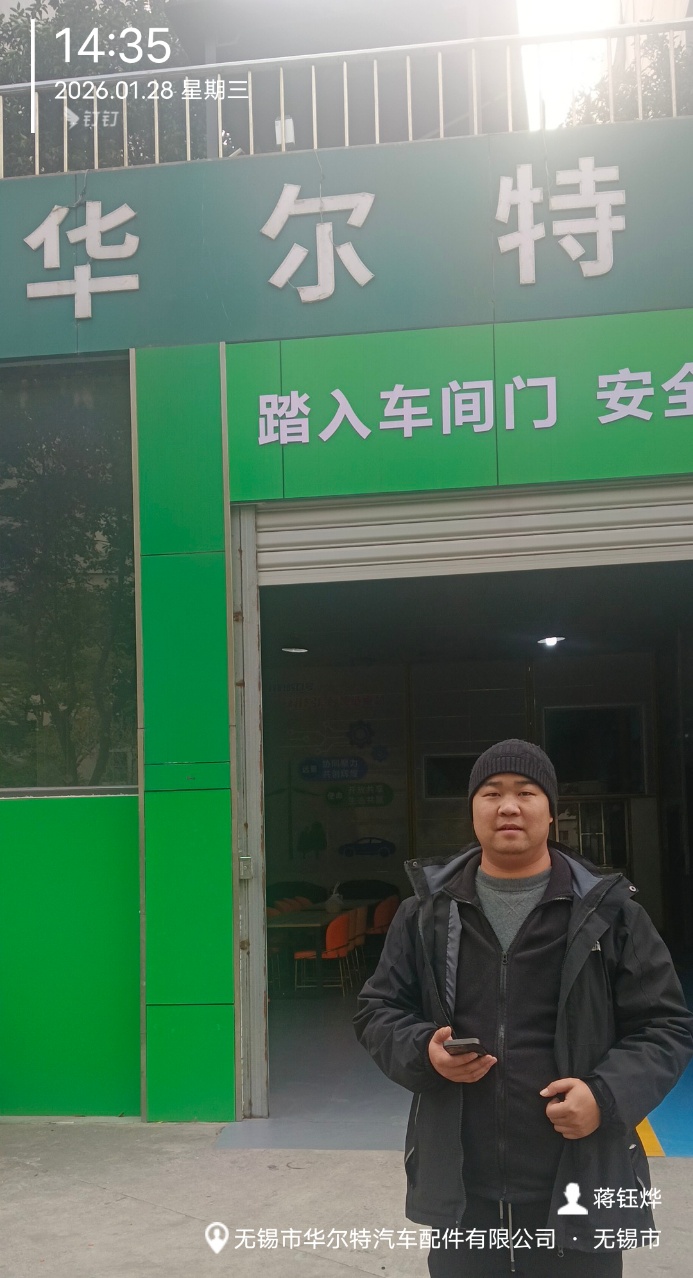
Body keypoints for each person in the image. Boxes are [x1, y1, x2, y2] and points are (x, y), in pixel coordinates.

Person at [354, 739, 693, 1276]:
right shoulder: (425, 914)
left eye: (526, 793)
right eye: (491, 793)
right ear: (473, 810)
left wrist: (604, 1096)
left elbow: (666, 1026)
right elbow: (377, 1010)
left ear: (551, 811)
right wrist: (424, 1052)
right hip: (463, 1193)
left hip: (580, 1185)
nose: (508, 806)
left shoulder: (611, 915)